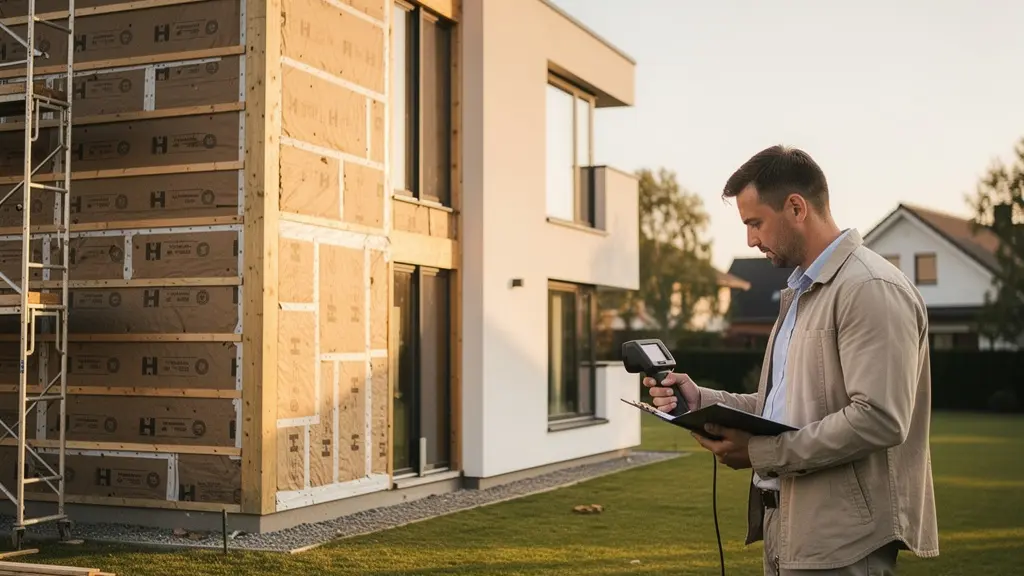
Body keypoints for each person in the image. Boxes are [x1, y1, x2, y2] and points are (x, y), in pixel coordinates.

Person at [645, 145, 939, 575]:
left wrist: (761, 451)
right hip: (791, 528)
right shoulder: (803, 292)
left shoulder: (869, 287)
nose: (750, 239)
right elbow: (783, 406)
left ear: (796, 208)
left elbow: (879, 418)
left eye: (755, 222)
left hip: (844, 540)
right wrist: (701, 399)